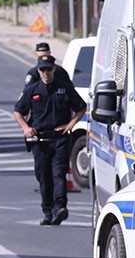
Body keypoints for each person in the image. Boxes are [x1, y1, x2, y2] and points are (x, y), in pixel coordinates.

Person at [13, 54, 87, 225]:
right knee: (43, 177)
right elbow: (18, 111)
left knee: (59, 173)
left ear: (54, 69)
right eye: (42, 70)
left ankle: (60, 207)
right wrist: (26, 128)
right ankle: (47, 211)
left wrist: (70, 125)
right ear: (38, 71)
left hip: (59, 138)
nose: (45, 73)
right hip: (40, 141)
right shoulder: (32, 90)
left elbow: (81, 108)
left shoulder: (64, 88)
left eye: (48, 69)